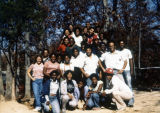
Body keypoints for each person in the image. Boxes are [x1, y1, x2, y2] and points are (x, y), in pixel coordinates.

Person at [119, 40, 134, 107]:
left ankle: (131, 101)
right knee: (122, 86)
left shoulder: (127, 51)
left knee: (129, 85)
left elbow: (131, 60)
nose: (121, 44)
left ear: (124, 44)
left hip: (127, 70)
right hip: (120, 71)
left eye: (122, 43)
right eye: (120, 43)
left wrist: (132, 70)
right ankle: (124, 101)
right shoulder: (118, 52)